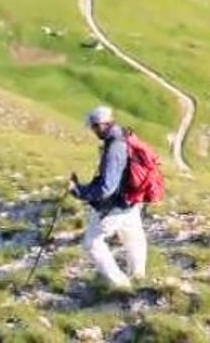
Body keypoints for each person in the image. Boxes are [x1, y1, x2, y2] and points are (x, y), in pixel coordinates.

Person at [69, 105, 148, 290]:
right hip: (132, 200)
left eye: (94, 127)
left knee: (92, 243)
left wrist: (78, 190)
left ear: (102, 125)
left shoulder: (114, 148)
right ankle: (138, 277)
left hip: (115, 206)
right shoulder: (125, 135)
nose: (93, 131)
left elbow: (107, 188)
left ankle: (120, 284)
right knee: (133, 238)